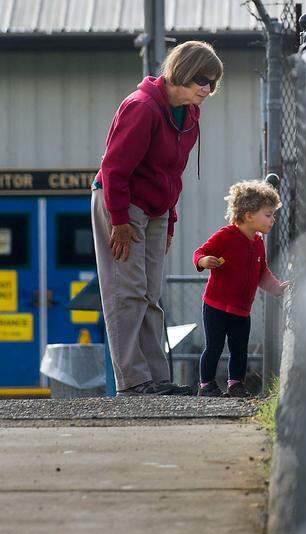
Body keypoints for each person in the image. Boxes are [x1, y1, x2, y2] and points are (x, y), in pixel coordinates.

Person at [91, 41, 223, 395]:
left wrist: (171, 218)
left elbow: (171, 174)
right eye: (200, 79)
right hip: (123, 202)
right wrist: (118, 220)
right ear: (180, 70)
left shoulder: (190, 115)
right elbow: (114, 168)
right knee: (127, 291)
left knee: (151, 292)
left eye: (212, 83)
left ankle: (157, 379)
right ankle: (133, 382)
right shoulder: (142, 107)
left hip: (157, 209)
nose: (206, 89)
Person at [194, 180, 290, 397]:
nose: (272, 220)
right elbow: (200, 252)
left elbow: (262, 272)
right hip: (216, 306)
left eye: (273, 215)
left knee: (239, 349)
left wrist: (275, 287)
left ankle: (236, 384)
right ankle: (206, 384)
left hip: (241, 309)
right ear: (248, 215)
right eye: (268, 214)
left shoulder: (258, 243)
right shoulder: (226, 235)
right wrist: (204, 261)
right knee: (214, 347)